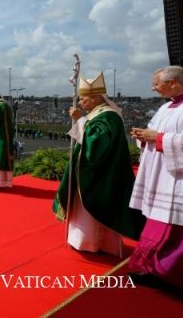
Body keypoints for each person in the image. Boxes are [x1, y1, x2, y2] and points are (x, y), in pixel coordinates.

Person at [128, 65, 183, 292]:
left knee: (181, 228)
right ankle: (151, 269)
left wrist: (158, 138)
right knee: (157, 224)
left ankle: (175, 276)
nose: (153, 88)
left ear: (172, 82)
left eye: (156, 84)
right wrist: (143, 137)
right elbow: (152, 132)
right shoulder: (164, 108)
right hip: (161, 178)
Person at [52, 71, 145, 256]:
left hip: (100, 174)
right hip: (91, 169)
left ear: (95, 97)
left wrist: (80, 119)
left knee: (92, 208)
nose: (80, 102)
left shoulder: (109, 115)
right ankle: (86, 241)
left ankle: (91, 242)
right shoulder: (98, 113)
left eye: (83, 99)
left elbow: (98, 141)